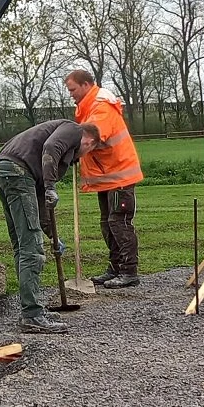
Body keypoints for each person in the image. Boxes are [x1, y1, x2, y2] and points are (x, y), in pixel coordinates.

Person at [0, 118, 98, 334]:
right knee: (31, 249)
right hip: (17, 172)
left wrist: (52, 235)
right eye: (87, 152)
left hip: (5, 170)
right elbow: (51, 147)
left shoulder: (37, 161)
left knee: (22, 245)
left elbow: (39, 203)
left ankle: (32, 310)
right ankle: (32, 315)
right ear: (90, 142)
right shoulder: (74, 130)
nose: (80, 157)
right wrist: (51, 186)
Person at [63, 67, 145, 288]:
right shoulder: (88, 108)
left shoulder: (101, 108)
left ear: (86, 85)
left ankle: (129, 271)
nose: (71, 94)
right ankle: (115, 268)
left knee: (118, 222)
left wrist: (70, 152)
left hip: (119, 177)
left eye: (72, 89)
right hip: (107, 176)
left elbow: (90, 137)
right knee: (107, 223)